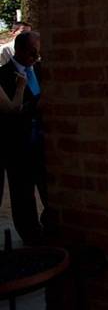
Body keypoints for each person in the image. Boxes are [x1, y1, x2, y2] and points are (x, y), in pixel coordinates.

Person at [0, 31, 46, 243]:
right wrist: (33, 106)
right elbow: (8, 114)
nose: (36, 57)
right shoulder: (3, 75)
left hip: (44, 144)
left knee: (47, 189)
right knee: (22, 195)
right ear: (18, 50)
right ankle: (31, 238)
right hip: (18, 146)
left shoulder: (41, 69)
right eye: (32, 53)